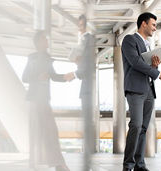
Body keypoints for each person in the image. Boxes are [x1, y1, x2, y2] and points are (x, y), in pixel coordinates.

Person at [121, 12, 161, 171]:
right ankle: (128, 165)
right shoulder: (130, 40)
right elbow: (135, 62)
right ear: (143, 23)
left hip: (148, 89)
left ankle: (139, 165)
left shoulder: (148, 44)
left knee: (143, 128)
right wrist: (157, 73)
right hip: (135, 88)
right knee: (135, 125)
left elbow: (146, 66)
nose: (155, 28)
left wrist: (155, 66)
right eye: (153, 24)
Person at [22, 31, 69, 171]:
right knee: (40, 133)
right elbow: (25, 77)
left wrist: (66, 77)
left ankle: (57, 164)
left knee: (50, 132)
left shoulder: (47, 58)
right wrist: (38, 77)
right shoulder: (33, 58)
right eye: (44, 39)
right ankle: (52, 164)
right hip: (35, 100)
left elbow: (52, 76)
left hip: (43, 100)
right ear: (38, 43)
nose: (47, 42)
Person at [64, 14, 97, 171]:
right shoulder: (85, 41)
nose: (80, 28)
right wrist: (79, 62)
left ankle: (87, 162)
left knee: (87, 126)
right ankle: (87, 161)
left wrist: (75, 73)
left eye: (82, 25)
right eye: (79, 25)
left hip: (88, 89)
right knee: (87, 125)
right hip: (86, 88)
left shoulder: (89, 39)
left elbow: (88, 66)